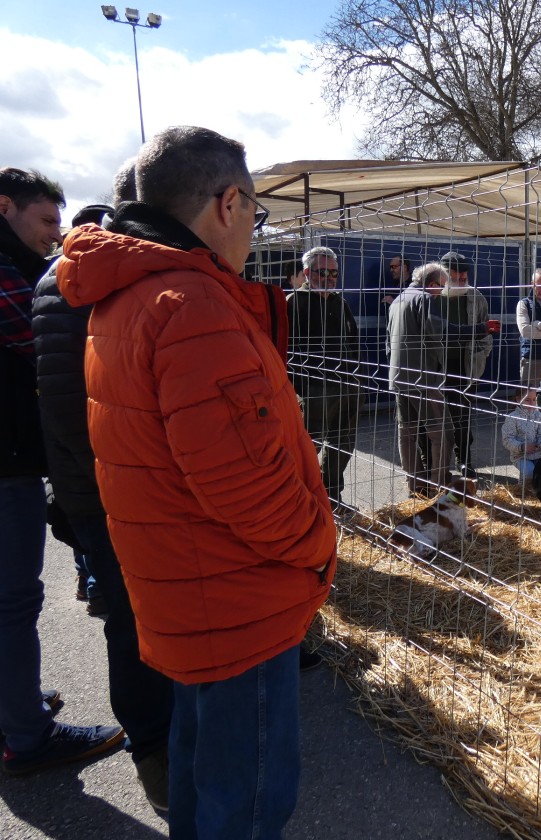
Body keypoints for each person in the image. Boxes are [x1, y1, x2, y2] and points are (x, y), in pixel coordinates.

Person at [56, 126, 337, 839]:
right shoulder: (193, 307)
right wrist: (316, 546)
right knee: (245, 802)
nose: (253, 230)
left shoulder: (126, 296)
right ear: (229, 202)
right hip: (239, 598)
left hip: (186, 586)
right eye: (256, 214)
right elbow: (246, 486)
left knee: (201, 772)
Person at [32, 190, 174, 809]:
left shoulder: (55, 282)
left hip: (87, 486)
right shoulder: (102, 286)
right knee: (136, 618)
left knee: (130, 614)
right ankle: (156, 750)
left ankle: (158, 748)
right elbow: (73, 407)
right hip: (114, 486)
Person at [0, 167, 124, 776]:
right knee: (13, 603)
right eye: (47, 220)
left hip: (19, 459)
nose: (55, 236)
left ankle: (13, 705)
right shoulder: (11, 277)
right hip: (8, 464)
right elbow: (41, 346)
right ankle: (26, 736)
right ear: (5, 207)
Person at [287, 246, 363, 509]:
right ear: (307, 273)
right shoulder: (294, 302)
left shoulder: (340, 303)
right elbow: (283, 350)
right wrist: (300, 388)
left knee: (342, 443)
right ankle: (301, 499)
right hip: (312, 389)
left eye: (334, 273)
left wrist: (355, 378)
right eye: (322, 272)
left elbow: (353, 342)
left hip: (344, 385)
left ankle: (332, 496)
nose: (330, 277)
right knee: (308, 447)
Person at [387, 261, 456, 495]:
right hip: (423, 378)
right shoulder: (425, 299)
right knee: (442, 432)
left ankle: (415, 485)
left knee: (407, 432)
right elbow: (438, 331)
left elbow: (388, 342)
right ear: (432, 283)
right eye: (442, 287)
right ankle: (440, 485)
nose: (442, 293)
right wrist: (477, 329)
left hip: (399, 377)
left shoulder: (398, 300)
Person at [437, 250, 492, 477]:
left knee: (463, 417)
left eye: (463, 278)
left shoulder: (476, 297)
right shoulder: (432, 295)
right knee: (435, 418)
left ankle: (464, 460)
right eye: (454, 277)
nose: (460, 282)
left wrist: (480, 356)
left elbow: (487, 331)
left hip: (466, 367)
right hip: (436, 368)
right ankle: (437, 465)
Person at [500, 387, 541, 482]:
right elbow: (507, 440)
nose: (532, 403)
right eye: (527, 400)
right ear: (518, 399)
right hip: (520, 456)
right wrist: (522, 447)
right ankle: (523, 488)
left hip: (539, 454)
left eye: (534, 399)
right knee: (529, 472)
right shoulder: (512, 417)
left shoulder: (539, 416)